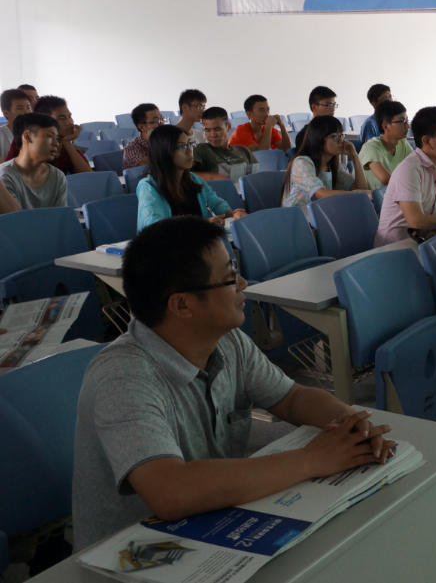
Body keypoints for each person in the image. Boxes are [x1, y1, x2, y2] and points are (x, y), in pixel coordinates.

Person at [71, 216, 395, 551]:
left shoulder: (227, 342)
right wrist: (312, 459)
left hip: (214, 520)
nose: (242, 283)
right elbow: (171, 492)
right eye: (229, 277)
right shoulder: (124, 377)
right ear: (182, 304)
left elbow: (292, 397)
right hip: (133, 551)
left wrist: (351, 424)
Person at [375, 106, 436, 247]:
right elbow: (416, 221)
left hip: (426, 241)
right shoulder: (409, 169)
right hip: (394, 247)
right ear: (427, 141)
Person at [137, 126, 246, 230]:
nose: (190, 150)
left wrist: (235, 213)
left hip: (198, 241)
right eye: (182, 147)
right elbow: (155, 228)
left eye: (190, 144)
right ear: (164, 152)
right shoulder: (148, 187)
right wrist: (202, 225)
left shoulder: (194, 179)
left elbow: (217, 204)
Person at [281, 115, 369, 209]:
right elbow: (322, 194)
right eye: (334, 136)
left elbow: (360, 189)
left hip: (318, 214)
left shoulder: (333, 165)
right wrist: (363, 194)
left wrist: (355, 156)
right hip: (296, 216)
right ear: (318, 138)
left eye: (341, 135)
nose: (341, 141)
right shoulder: (301, 163)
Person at [0, 113, 68, 210]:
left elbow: (61, 216)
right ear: (28, 136)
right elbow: (14, 217)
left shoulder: (57, 176)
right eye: (49, 136)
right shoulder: (5, 176)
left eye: (56, 138)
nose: (56, 143)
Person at [11, 95, 93, 174]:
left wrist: (67, 143)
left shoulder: (68, 150)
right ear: (46, 121)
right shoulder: (26, 141)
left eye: (69, 116)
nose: (69, 122)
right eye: (61, 118)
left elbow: (89, 177)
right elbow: (9, 170)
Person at [192, 107, 258, 181]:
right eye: (207, 130)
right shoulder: (201, 150)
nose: (213, 135)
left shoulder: (244, 151)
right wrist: (212, 177)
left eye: (217, 129)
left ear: (228, 127)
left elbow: (256, 178)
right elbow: (185, 175)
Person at [358, 99, 410, 189]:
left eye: (407, 120)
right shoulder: (371, 147)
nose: (407, 126)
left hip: (394, 194)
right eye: (402, 121)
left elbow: (417, 167)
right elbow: (386, 180)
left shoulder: (403, 143)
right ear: (386, 126)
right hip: (368, 197)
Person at [292, 86, 338, 151]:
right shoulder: (304, 135)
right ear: (314, 107)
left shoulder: (332, 130)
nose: (333, 109)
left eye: (334, 105)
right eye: (329, 105)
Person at [123, 103, 166, 170]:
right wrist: (153, 142)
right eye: (155, 121)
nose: (162, 123)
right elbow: (151, 168)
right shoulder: (131, 148)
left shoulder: (166, 139)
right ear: (142, 127)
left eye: (161, 119)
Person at [0, 88, 33, 160]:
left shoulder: (36, 134)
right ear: (6, 113)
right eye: (20, 108)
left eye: (28, 107)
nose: (27, 112)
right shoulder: (1, 134)